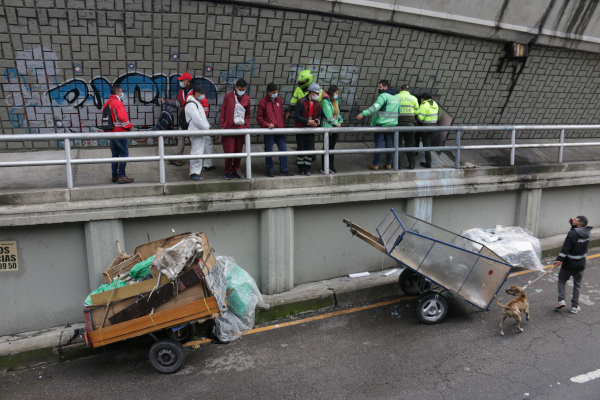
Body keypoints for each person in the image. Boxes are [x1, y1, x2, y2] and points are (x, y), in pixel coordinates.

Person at [356, 80, 399, 171]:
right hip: (392, 125)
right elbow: (399, 112)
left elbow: (375, 107)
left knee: (378, 145)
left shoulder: (383, 96)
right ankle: (389, 164)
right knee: (389, 145)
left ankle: (375, 164)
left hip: (381, 124)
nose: (379, 89)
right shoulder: (396, 97)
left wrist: (363, 114)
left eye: (380, 87)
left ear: (385, 87)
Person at [554, 216, 592, 314]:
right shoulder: (587, 233)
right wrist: (572, 224)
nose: (573, 219)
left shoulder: (572, 233)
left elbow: (566, 248)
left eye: (575, 220)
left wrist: (559, 260)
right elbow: (576, 235)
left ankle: (561, 300)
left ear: (579, 224)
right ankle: (575, 306)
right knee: (577, 285)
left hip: (569, 264)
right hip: (580, 265)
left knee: (562, 281)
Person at [257, 83, 293, 177]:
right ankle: (270, 170)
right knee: (269, 150)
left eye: (276, 92)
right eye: (273, 92)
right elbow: (259, 118)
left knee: (283, 149)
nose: (275, 94)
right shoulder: (263, 102)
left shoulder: (279, 100)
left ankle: (284, 169)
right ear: (268, 92)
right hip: (270, 131)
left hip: (280, 129)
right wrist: (267, 125)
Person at [219, 79, 250, 180]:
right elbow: (223, 110)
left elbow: (248, 113)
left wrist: (246, 124)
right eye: (240, 89)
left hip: (240, 129)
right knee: (229, 151)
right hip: (229, 128)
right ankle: (228, 171)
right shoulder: (228, 96)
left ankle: (235, 169)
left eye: (244, 89)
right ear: (236, 87)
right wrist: (222, 125)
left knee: (238, 151)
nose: (242, 91)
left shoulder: (247, 99)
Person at [103, 84, 134, 184]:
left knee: (115, 155)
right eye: (121, 92)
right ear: (117, 93)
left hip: (111, 132)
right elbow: (123, 118)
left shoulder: (107, 103)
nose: (122, 93)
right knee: (124, 154)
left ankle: (114, 175)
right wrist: (129, 126)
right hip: (120, 132)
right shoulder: (118, 103)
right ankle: (122, 176)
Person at [162, 72, 193, 166]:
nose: (181, 82)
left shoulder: (194, 91)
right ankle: (179, 158)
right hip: (184, 118)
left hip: (192, 119)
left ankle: (198, 159)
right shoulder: (181, 91)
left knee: (194, 139)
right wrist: (167, 101)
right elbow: (178, 104)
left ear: (187, 81)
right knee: (181, 137)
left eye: (182, 80)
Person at [294, 82, 322, 176]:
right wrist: (307, 121)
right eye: (316, 93)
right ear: (311, 92)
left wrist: (318, 120)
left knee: (310, 149)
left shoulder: (317, 104)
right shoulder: (301, 101)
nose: (318, 95)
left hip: (311, 129)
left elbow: (319, 115)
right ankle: (301, 168)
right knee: (301, 148)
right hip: (301, 129)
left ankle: (307, 168)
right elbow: (297, 115)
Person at [185, 85, 211, 181]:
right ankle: (194, 173)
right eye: (201, 93)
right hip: (196, 131)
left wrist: (205, 128)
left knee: (198, 151)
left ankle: (196, 172)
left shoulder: (195, 102)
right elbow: (197, 120)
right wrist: (206, 128)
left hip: (199, 130)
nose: (203, 95)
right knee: (196, 152)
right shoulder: (191, 104)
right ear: (196, 93)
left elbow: (200, 119)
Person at [320, 85, 343, 174]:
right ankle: (324, 166)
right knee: (326, 148)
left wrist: (340, 120)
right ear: (332, 93)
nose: (337, 95)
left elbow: (338, 114)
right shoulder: (326, 103)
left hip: (335, 129)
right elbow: (329, 117)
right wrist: (337, 124)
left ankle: (331, 166)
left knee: (332, 148)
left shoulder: (335, 101)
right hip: (328, 129)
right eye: (336, 93)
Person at [396, 84, 419, 169]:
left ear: (400, 89)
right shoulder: (413, 98)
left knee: (397, 145)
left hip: (398, 123)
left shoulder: (396, 97)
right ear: (408, 91)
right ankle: (412, 164)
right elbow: (417, 112)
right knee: (410, 145)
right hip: (410, 124)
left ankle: (398, 165)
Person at [417, 93, 439, 168]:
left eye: (421, 99)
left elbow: (420, 118)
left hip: (426, 127)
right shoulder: (434, 103)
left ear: (423, 99)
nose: (420, 100)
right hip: (434, 127)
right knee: (428, 144)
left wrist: (416, 115)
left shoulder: (424, 104)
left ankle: (428, 163)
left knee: (426, 146)